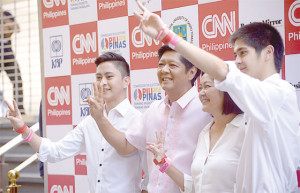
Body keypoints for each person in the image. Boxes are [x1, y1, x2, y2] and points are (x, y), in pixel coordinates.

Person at [134, 2, 300, 192]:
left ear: (268, 52)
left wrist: (166, 35)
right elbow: (200, 185)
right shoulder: (213, 129)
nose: (237, 61)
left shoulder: (280, 92)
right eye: (235, 54)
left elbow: (223, 71)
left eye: (243, 53)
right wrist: (163, 163)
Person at [5, 52, 147, 193]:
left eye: (109, 76)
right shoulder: (90, 122)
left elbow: (150, 176)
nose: (102, 82)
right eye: (98, 77)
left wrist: (99, 118)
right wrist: (23, 128)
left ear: (126, 81)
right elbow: (55, 152)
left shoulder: (138, 120)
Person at [86, 45, 212, 193]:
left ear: (191, 72)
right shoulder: (154, 109)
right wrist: (100, 118)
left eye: (172, 65)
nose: (164, 70)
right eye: (161, 65)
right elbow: (126, 145)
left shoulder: (206, 110)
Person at [147, 72, 245, 193]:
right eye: (200, 88)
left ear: (227, 89)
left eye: (207, 86)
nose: (201, 93)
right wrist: (163, 162)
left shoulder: (245, 129)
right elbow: (195, 186)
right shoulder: (204, 132)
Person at [0, 9, 24, 113]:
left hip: (8, 55)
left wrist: (4, 19)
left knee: (17, 80)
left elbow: (16, 28)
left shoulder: (6, 14)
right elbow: (5, 31)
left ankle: (19, 110)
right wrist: (7, 28)